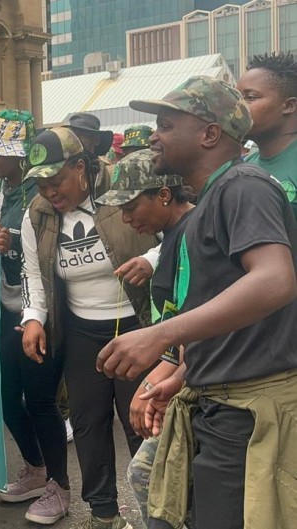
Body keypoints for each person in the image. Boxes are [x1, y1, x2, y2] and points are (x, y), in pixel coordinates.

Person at [99, 76, 297, 529]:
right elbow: (239, 317)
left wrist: (160, 333)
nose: (154, 136)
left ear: (210, 134)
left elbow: (274, 281)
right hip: (218, 404)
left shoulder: (243, 187)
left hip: (249, 415)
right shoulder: (213, 200)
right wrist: (186, 375)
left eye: (167, 125)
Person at [19, 127, 159, 529]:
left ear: (80, 167)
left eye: (56, 180)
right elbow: (33, 272)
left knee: (142, 423)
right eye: (41, 183)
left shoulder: (125, 188)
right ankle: (103, 514)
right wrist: (32, 319)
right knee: (87, 424)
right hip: (82, 333)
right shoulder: (38, 213)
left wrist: (152, 258)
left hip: (138, 328)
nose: (49, 191)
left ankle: (156, 512)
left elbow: (177, 230)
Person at [92, 150, 193, 527]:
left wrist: (169, 380)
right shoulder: (169, 240)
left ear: (163, 195)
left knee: (153, 476)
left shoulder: (194, 236)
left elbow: (201, 326)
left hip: (203, 383)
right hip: (181, 373)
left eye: (132, 205)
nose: (126, 217)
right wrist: (154, 380)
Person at [0, 110, 70, 525]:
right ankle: (34, 468)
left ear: (22, 157)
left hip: (43, 309)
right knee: (3, 395)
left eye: (0, 154)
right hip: (3, 305)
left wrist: (11, 242)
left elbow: (48, 252)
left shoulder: (42, 191)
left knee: (38, 399)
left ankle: (59, 485)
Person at [238, 52, 297, 219]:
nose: (238, 107)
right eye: (237, 98)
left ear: (288, 106)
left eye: (250, 98)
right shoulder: (246, 165)